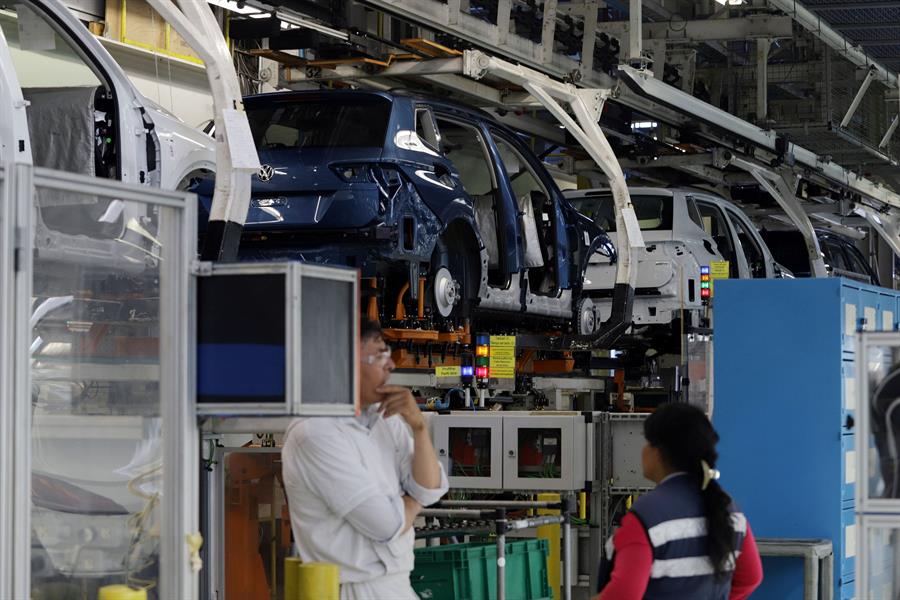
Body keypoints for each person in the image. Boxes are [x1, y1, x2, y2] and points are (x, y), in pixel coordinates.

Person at [281, 319, 449, 600]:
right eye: (379, 355)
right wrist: (413, 498)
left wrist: (419, 427)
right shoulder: (315, 433)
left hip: (395, 584)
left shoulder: (386, 420)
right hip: (352, 589)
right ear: (345, 362)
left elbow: (431, 487)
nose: (391, 365)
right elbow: (387, 525)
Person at [596, 402, 762, 600]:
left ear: (658, 451)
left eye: (647, 442)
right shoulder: (730, 510)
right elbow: (751, 578)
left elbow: (624, 594)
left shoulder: (646, 515)